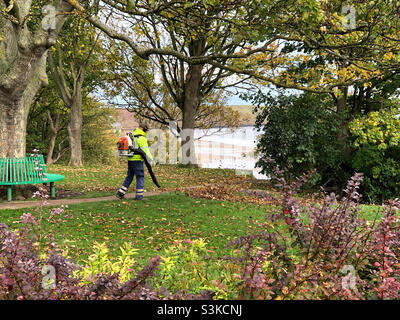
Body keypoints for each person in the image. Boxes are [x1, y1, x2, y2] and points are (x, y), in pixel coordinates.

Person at [116, 122, 153, 200]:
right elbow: (145, 150)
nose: (147, 131)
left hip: (130, 159)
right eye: (147, 130)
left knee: (129, 176)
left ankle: (120, 193)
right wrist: (151, 160)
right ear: (144, 129)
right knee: (140, 177)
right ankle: (139, 196)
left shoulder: (132, 135)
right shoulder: (141, 138)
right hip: (137, 161)